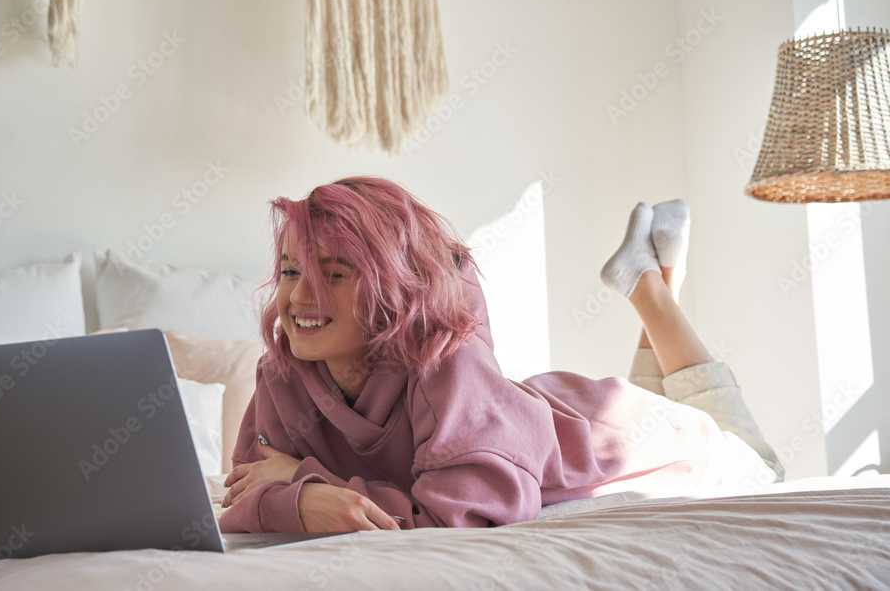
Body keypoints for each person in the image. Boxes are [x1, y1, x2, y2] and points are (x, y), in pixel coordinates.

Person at [217, 177, 783, 533]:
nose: (298, 298)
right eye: (291, 271)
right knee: (662, 392)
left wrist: (310, 485)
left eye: (333, 274)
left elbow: (458, 516)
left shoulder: (446, 360)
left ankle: (653, 289)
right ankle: (656, 278)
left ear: (393, 289)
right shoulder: (282, 371)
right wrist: (304, 496)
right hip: (518, 417)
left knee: (763, 463)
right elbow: (244, 493)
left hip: (625, 439)